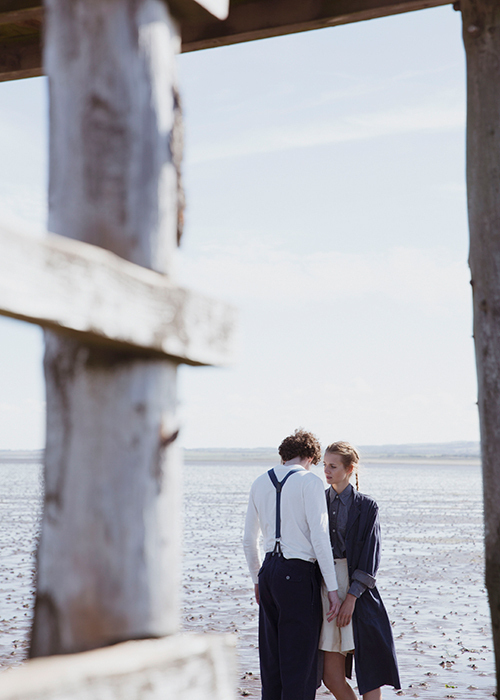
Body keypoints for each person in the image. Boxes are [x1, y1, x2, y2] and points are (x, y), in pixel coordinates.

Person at [243, 429, 342, 700]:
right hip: (298, 575)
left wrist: (256, 579)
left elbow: (247, 540)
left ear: (284, 455)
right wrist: (332, 589)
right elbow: (320, 538)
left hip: (268, 572)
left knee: (271, 664)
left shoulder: (259, 482)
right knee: (300, 666)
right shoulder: (309, 482)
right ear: (310, 457)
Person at [319, 441, 401, 700]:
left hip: (358, 590)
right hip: (325, 586)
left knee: (370, 669)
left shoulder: (367, 506)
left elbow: (371, 555)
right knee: (331, 677)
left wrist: (352, 598)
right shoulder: (317, 501)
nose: (326, 471)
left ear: (350, 468)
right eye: (324, 465)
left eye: (333, 466)